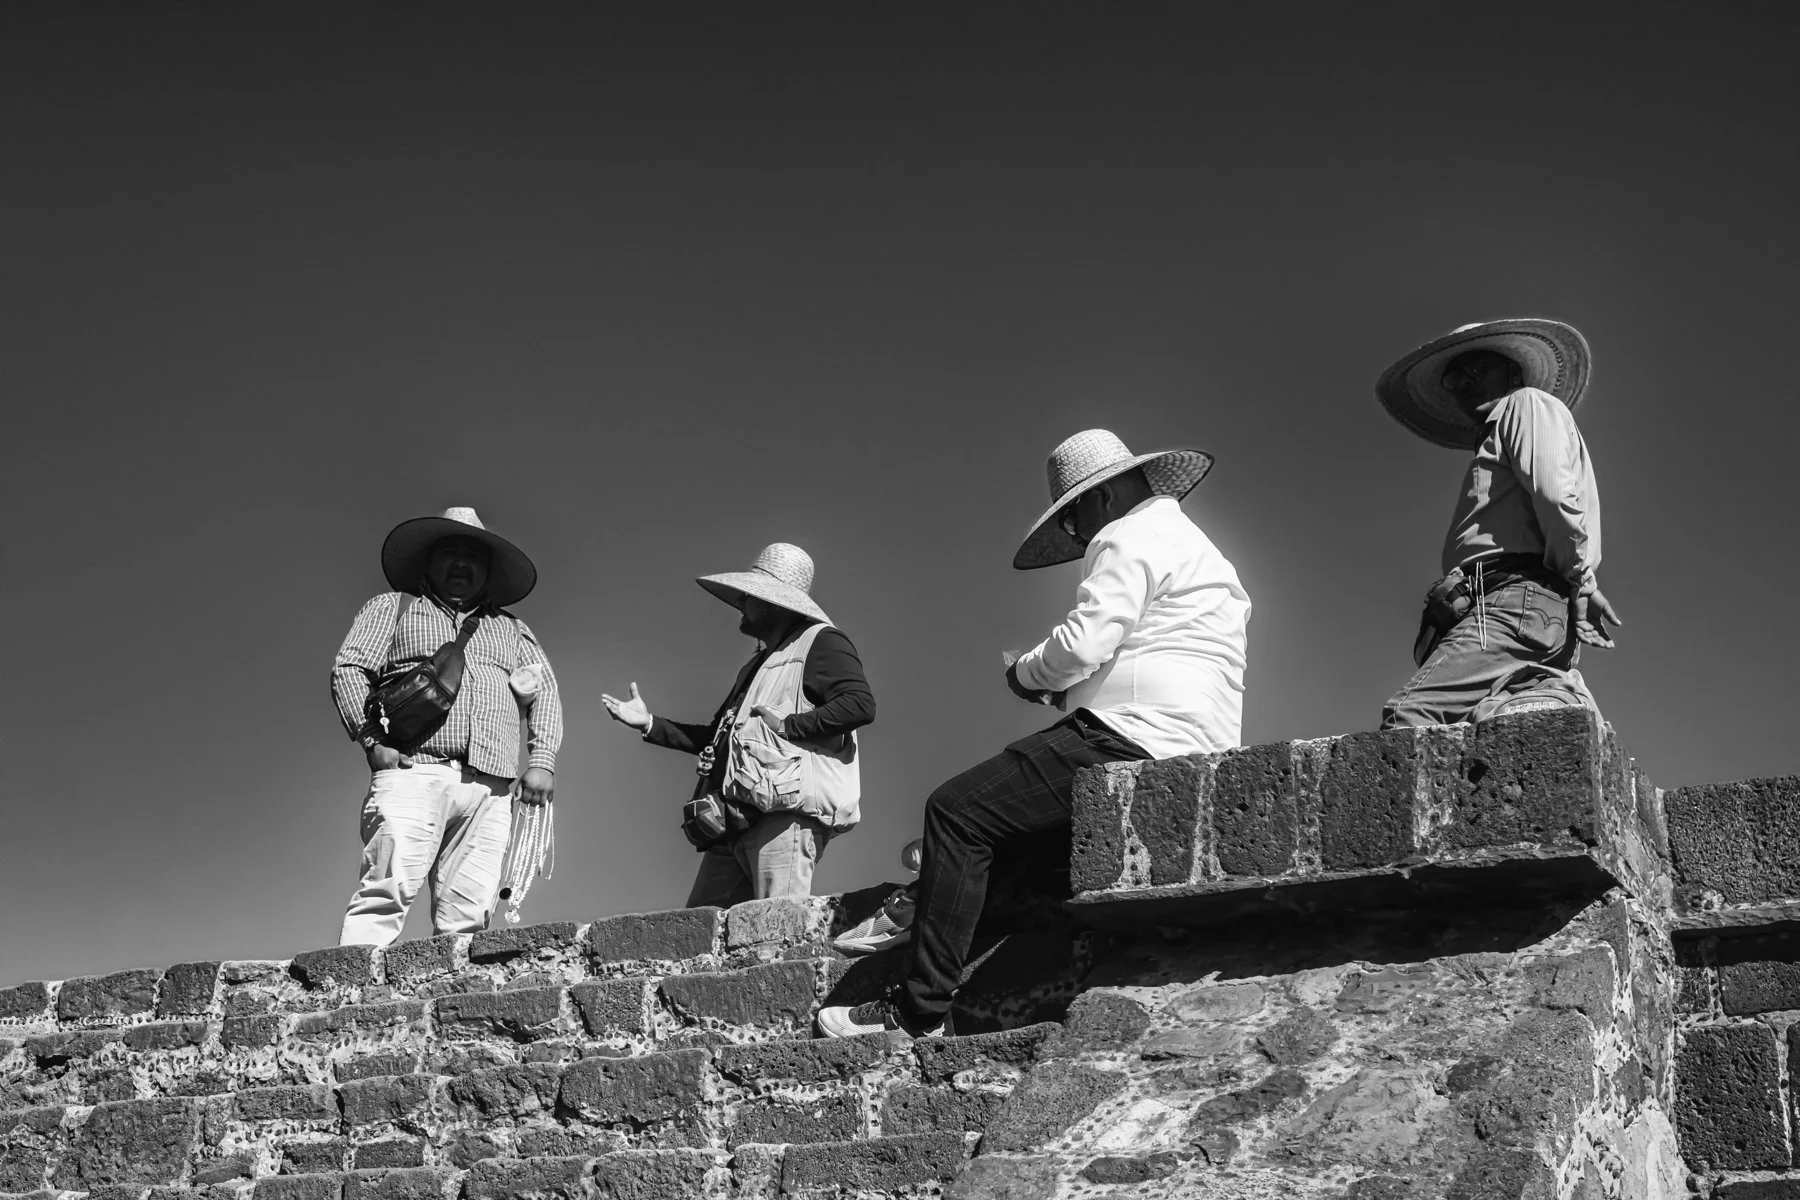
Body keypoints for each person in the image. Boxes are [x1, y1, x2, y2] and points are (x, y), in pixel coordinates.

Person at [817, 429, 1251, 1038]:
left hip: (1128, 733)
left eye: (1072, 523)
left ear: (1098, 499)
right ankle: (933, 932)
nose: (1077, 538)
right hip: (1196, 738)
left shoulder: (1127, 533)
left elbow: (1084, 641)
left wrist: (1025, 673)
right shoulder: (1197, 547)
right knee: (1013, 853)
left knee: (957, 811)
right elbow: (1148, 646)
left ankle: (917, 1009)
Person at [331, 506, 562, 945]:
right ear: (430, 562)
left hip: (491, 788)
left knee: (471, 913)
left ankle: (456, 1005)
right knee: (385, 890)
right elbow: (350, 669)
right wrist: (370, 739)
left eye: (473, 556)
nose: (462, 563)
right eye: (450, 552)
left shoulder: (513, 630)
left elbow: (545, 692)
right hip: (413, 769)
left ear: (487, 571)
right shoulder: (394, 608)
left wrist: (542, 761)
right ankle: (352, 999)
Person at [1375, 320, 1621, 727]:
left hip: (1514, 599)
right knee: (1494, 721)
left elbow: (1555, 492)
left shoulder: (1526, 403)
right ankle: (1559, 694)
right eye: (1454, 377)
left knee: (1410, 716)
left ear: (1513, 372)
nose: (1463, 381)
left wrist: (1581, 578)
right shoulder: (1513, 420)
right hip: (1524, 605)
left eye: (1477, 368)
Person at [601, 543, 874, 905]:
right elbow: (717, 736)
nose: (741, 602)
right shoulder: (756, 665)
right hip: (734, 819)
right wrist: (650, 723)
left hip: (783, 819)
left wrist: (790, 726)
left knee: (774, 933)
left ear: (774, 602)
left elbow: (859, 705)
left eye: (750, 595)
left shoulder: (821, 643)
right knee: (697, 931)